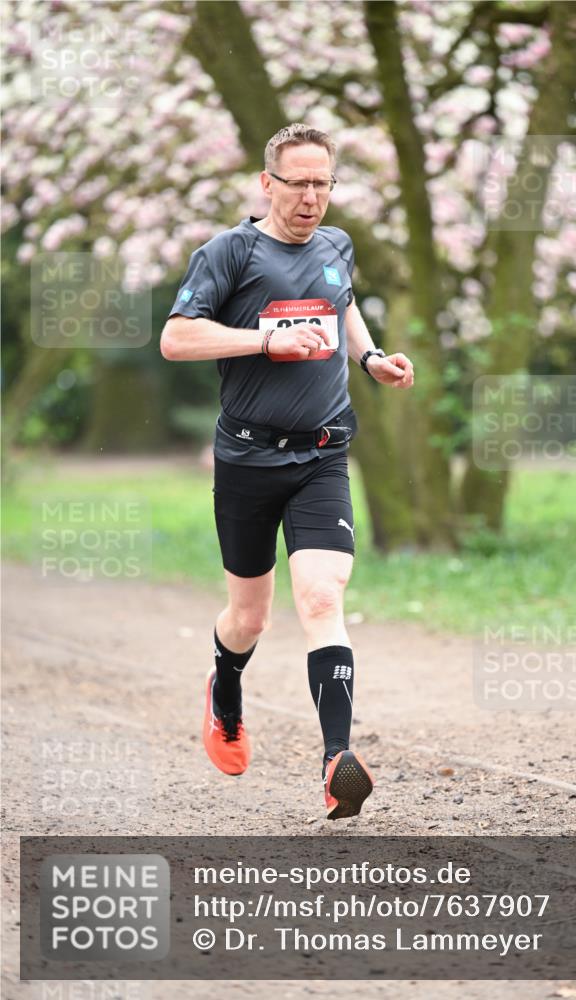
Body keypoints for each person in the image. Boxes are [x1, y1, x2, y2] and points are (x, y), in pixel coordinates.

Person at [160, 123, 414, 819]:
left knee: (323, 597)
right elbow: (176, 337)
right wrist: (265, 340)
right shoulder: (229, 252)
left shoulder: (336, 245)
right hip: (246, 455)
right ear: (266, 183)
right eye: (296, 183)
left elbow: (344, 302)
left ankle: (337, 760)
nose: (310, 198)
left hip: (323, 453)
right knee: (250, 616)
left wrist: (369, 358)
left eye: (322, 184)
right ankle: (225, 686)